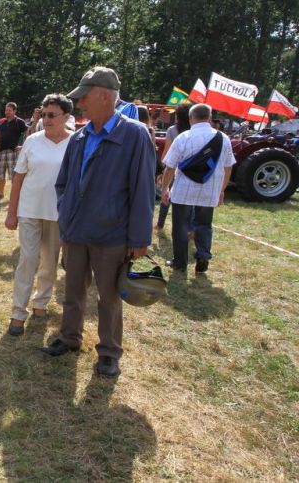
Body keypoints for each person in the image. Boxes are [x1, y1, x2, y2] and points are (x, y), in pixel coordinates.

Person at [41, 67, 156, 378]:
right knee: (73, 291)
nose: (79, 104)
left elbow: (144, 189)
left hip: (112, 234)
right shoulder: (79, 137)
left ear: (105, 96)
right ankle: (69, 338)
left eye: (84, 97)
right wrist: (66, 213)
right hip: (76, 231)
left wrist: (139, 238)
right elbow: (63, 183)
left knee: (109, 296)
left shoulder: (134, 135)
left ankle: (108, 352)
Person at [5, 94, 74, 335]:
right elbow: (18, 178)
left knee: (50, 262)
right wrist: (11, 213)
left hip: (58, 214)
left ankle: (41, 303)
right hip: (29, 211)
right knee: (28, 259)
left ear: (66, 116)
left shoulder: (76, 142)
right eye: (43, 115)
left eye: (51, 115)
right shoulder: (33, 141)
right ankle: (18, 311)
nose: (46, 119)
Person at [160, 104, 234, 274]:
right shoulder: (224, 138)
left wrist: (165, 188)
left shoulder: (183, 137)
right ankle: (202, 256)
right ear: (209, 117)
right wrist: (221, 190)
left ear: (191, 118)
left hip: (184, 191)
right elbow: (228, 167)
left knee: (180, 226)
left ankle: (180, 262)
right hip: (210, 190)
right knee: (204, 225)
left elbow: (170, 167)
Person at [154, 103, 191, 232]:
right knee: (188, 201)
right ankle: (190, 229)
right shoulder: (194, 131)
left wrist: (162, 169)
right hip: (190, 170)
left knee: (165, 196)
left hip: (173, 168)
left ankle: (160, 225)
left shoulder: (172, 130)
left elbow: (167, 152)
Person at [0, 102, 27, 199]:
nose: (7, 112)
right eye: (6, 110)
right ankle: (0, 193)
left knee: (14, 175)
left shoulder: (19, 122)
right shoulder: (1, 122)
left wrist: (22, 146)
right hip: (1, 151)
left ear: (14, 111)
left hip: (13, 151)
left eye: (9, 110)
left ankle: (15, 195)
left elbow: (27, 134)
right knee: (0, 173)